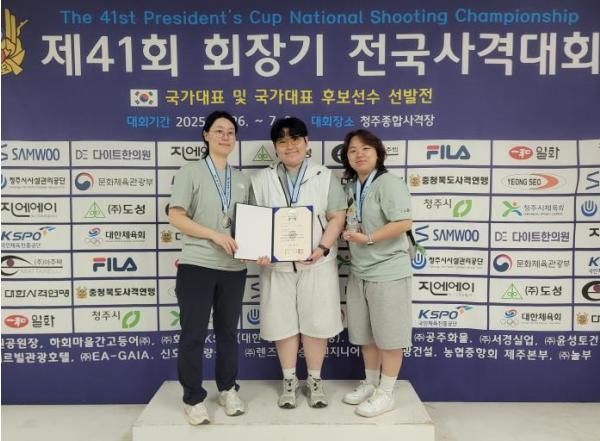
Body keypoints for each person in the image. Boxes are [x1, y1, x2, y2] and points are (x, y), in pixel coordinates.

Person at [251, 117, 347, 408]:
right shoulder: (261, 179)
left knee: (316, 322)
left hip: (316, 263)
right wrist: (259, 250)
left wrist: (322, 247)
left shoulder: (324, 176)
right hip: (276, 267)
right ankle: (289, 381)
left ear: (306, 142)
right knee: (283, 324)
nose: (289, 146)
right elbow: (255, 223)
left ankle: (315, 380)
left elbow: (337, 216)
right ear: (275, 147)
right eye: (282, 141)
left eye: (295, 139)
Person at [168, 110, 251, 425]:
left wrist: (259, 248)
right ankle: (192, 398)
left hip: (233, 268)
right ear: (206, 135)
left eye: (231, 132)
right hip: (198, 265)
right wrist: (214, 235)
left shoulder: (242, 179)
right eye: (219, 131)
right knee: (194, 334)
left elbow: (250, 223)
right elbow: (176, 216)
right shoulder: (190, 172)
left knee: (228, 333)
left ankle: (228, 389)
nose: (225, 137)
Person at [340, 129, 413, 417]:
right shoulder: (351, 187)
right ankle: (371, 383)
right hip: (359, 271)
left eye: (365, 149)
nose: (359, 154)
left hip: (388, 271)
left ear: (378, 153)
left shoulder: (389, 184)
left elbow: (403, 222)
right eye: (352, 150)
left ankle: (386, 392)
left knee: (390, 336)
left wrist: (368, 238)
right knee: (366, 334)